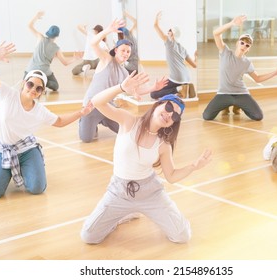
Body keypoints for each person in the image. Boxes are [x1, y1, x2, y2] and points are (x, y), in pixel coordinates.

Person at [80, 72, 212, 244]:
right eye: (169, 107)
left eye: (175, 116)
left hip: (150, 193)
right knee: (89, 236)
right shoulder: (129, 121)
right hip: (119, 191)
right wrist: (121, 88)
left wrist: (194, 165)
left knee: (182, 236)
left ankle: (147, 212)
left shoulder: (164, 145)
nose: (169, 115)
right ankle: (125, 213)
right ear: (158, 104)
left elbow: (171, 176)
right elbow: (97, 102)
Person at [0, 42, 92, 199]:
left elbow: (59, 121)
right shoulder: (7, 94)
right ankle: (2, 169)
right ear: (23, 83)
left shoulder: (39, 110)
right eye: (30, 84)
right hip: (3, 148)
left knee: (37, 188)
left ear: (42, 92)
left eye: (38, 88)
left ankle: (26, 166)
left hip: (26, 148)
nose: (33, 89)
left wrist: (81, 112)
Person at [79, 19, 163, 143]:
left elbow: (134, 90)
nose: (126, 53)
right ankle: (85, 120)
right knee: (86, 139)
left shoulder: (124, 72)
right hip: (92, 106)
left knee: (127, 131)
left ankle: (103, 119)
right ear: (116, 50)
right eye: (123, 50)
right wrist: (108, 30)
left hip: (109, 107)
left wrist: (153, 88)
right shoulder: (107, 59)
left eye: (128, 51)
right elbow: (93, 44)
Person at [202, 15, 277, 121]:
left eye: (247, 45)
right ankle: (225, 105)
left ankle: (238, 105)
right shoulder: (225, 52)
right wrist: (232, 23)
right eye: (242, 42)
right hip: (224, 93)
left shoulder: (247, 62)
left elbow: (257, 79)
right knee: (207, 116)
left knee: (258, 116)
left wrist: (275, 73)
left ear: (248, 49)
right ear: (237, 43)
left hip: (241, 93)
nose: (244, 46)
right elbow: (216, 34)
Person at [25, 11, 81, 91]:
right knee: (55, 86)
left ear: (48, 32)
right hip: (44, 72)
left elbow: (29, 26)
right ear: (57, 36)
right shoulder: (56, 48)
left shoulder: (40, 38)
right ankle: (43, 82)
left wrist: (36, 16)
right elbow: (65, 63)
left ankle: (28, 79)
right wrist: (75, 58)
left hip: (30, 69)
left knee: (26, 78)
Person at [150, 11, 197, 100]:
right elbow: (194, 65)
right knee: (165, 84)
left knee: (153, 94)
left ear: (173, 34)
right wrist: (196, 56)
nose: (168, 31)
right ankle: (186, 86)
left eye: (170, 30)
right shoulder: (183, 49)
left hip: (177, 78)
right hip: (187, 77)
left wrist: (157, 18)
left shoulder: (169, 43)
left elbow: (155, 26)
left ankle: (178, 90)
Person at [118, 10, 139, 74]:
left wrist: (126, 15)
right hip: (136, 65)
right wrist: (127, 15)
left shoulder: (127, 35)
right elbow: (136, 22)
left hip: (132, 67)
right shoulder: (129, 34)